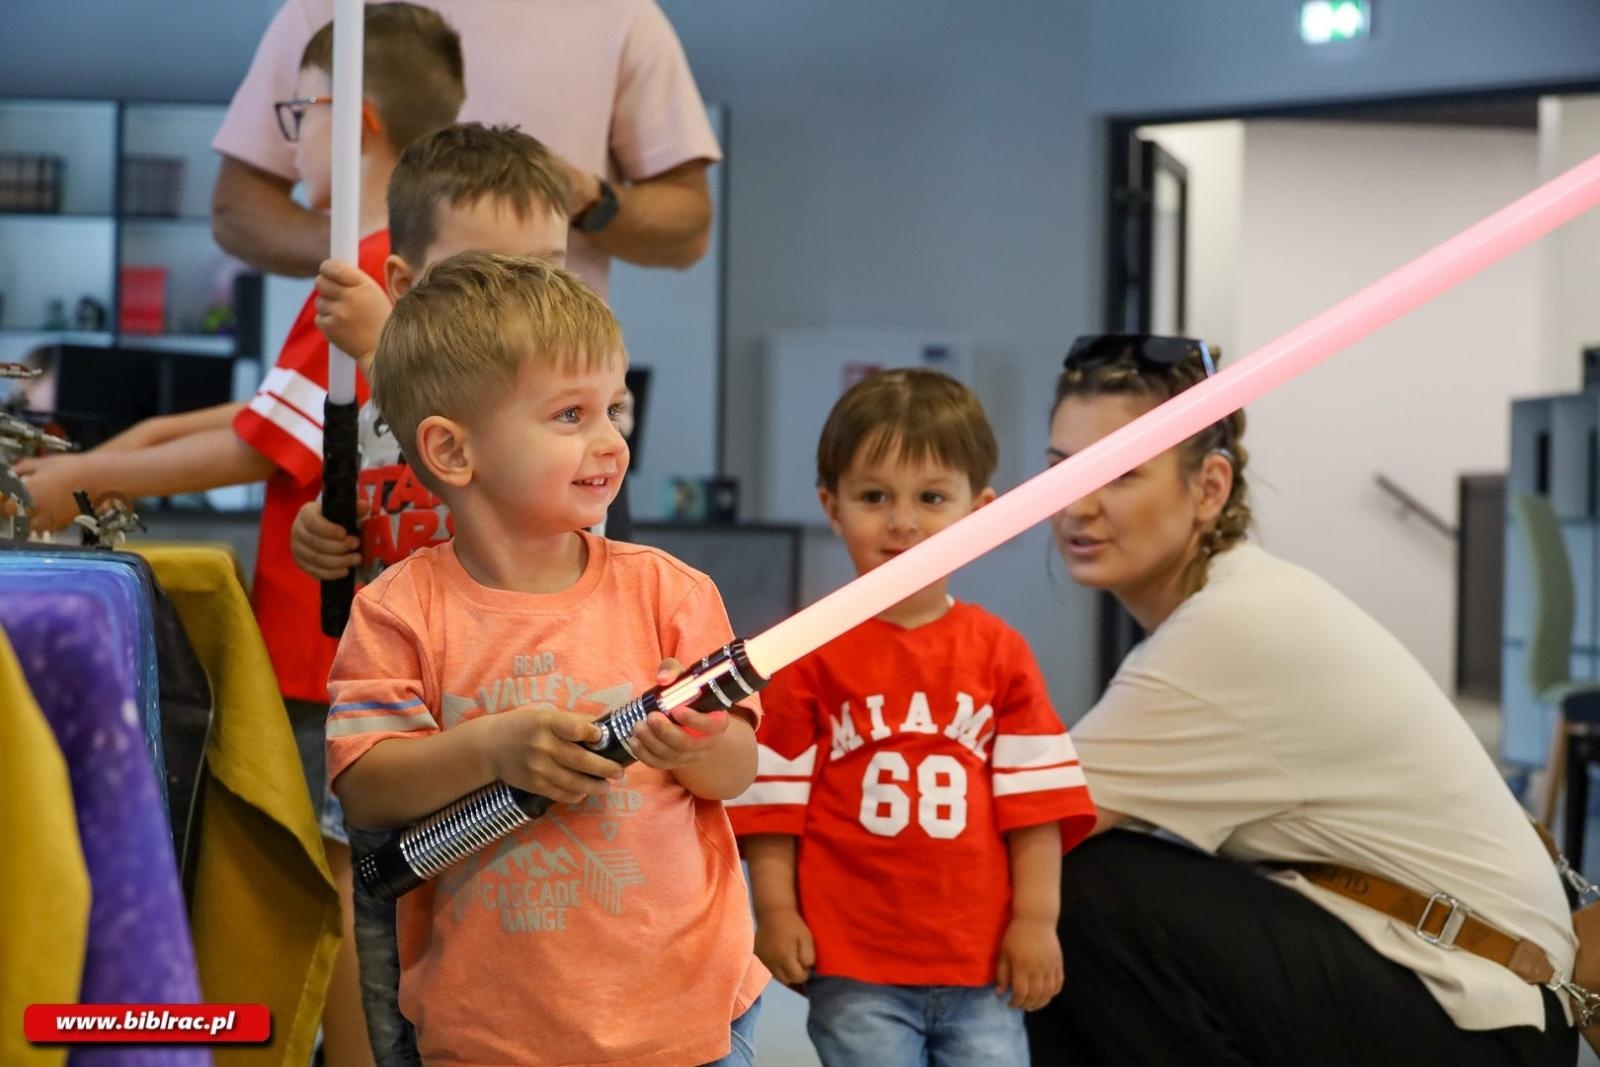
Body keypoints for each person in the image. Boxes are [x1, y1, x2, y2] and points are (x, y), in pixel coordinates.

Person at [15, 11, 465, 1065]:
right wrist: (95, 457)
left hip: (333, 649)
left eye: (296, 115)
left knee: (342, 879)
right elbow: (266, 420)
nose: (286, 141)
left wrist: (77, 476)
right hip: (346, 643)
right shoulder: (370, 261)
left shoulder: (365, 269)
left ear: (351, 119)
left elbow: (253, 454)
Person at [1028, 334, 1579, 1066]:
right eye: (1061, 470)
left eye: (1120, 472)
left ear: (1209, 488)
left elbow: (1019, 828)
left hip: (1479, 1019)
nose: (1079, 503)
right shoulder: (1239, 597)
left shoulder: (1228, 628)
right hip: (1473, 998)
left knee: (1073, 886)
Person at [325, 251, 767, 1066]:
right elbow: (365, 783)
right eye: (570, 415)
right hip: (492, 1029)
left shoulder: (671, 592)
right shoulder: (398, 609)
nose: (608, 441)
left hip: (684, 1017)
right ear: (453, 452)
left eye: (614, 409)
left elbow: (737, 768)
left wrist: (700, 745)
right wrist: (493, 747)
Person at [729, 368, 1097, 1066]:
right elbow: (773, 808)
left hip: (981, 958)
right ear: (831, 506)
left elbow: (1036, 806)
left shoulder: (1000, 653)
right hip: (853, 961)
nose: (902, 520)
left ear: (979, 511)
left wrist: (1037, 920)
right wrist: (775, 913)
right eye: (874, 497)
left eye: (931, 497)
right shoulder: (806, 653)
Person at [211, 0, 721, 291]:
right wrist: (383, 250)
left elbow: (688, 228)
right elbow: (237, 209)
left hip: (545, 409)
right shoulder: (332, 8)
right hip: (357, 400)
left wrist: (584, 196)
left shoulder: (620, 14)